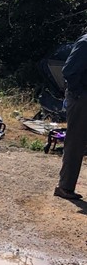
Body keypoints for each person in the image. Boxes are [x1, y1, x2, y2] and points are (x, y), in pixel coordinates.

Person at [56, 33, 87, 201]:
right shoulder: (85, 43)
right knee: (76, 141)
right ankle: (65, 187)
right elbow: (69, 71)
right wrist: (80, 94)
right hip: (81, 98)